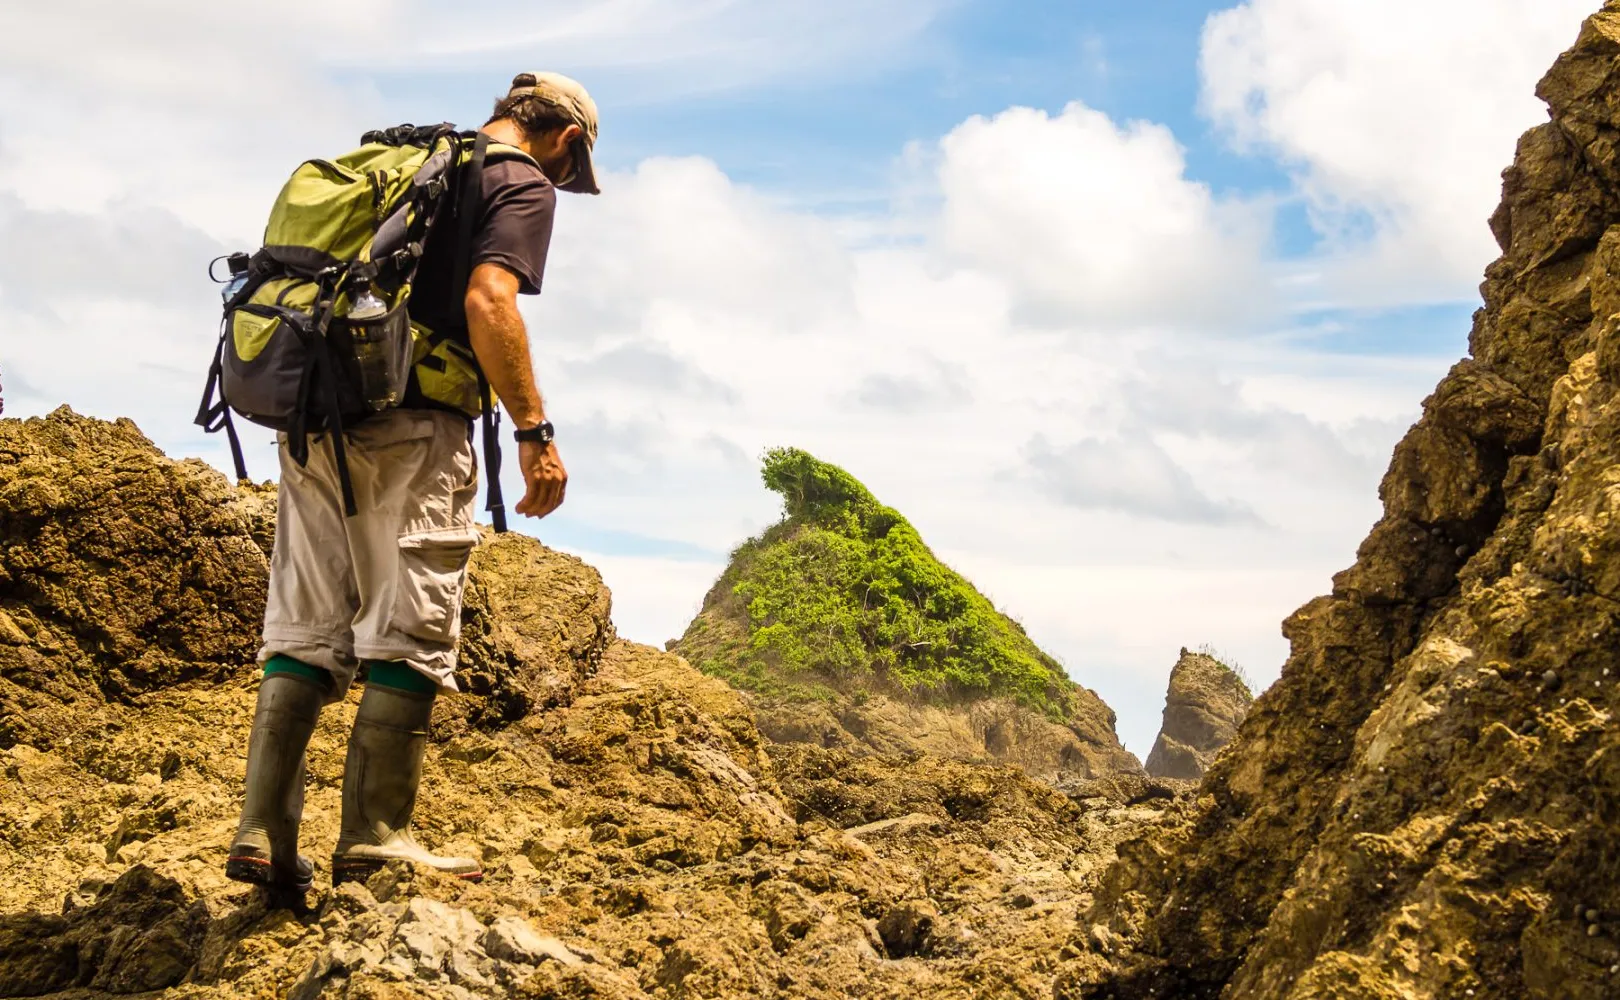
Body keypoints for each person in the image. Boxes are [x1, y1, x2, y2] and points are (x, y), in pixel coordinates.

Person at [224, 72, 599, 898]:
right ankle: (378, 834)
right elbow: (489, 299)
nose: (566, 183)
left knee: (304, 625)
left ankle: (264, 835)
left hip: (313, 416)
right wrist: (534, 434)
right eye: (573, 168)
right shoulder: (520, 182)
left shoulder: (406, 161)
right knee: (412, 626)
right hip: (414, 424)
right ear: (564, 140)